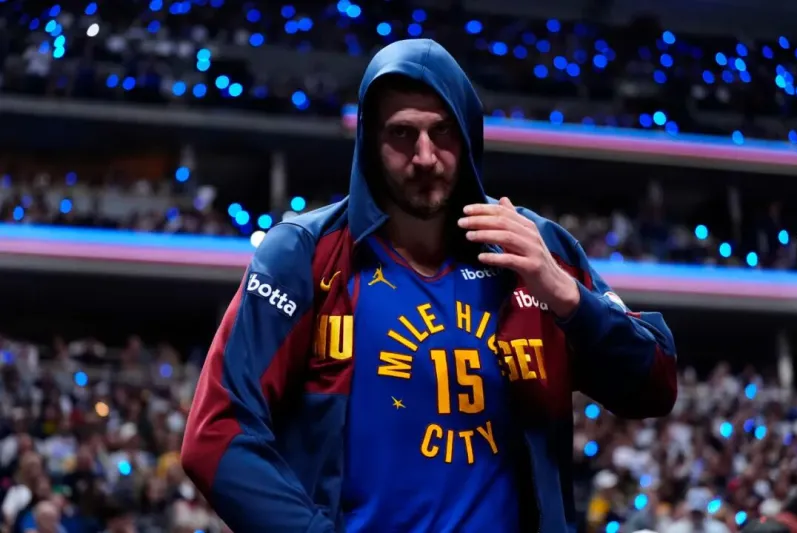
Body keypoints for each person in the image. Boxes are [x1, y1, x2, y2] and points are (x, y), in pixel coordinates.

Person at [182, 38, 678, 533]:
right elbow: (217, 434)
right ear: (369, 142)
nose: (425, 156)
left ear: (467, 135)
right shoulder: (304, 255)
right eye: (402, 134)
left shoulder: (536, 246)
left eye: (442, 131)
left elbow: (654, 387)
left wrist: (568, 297)